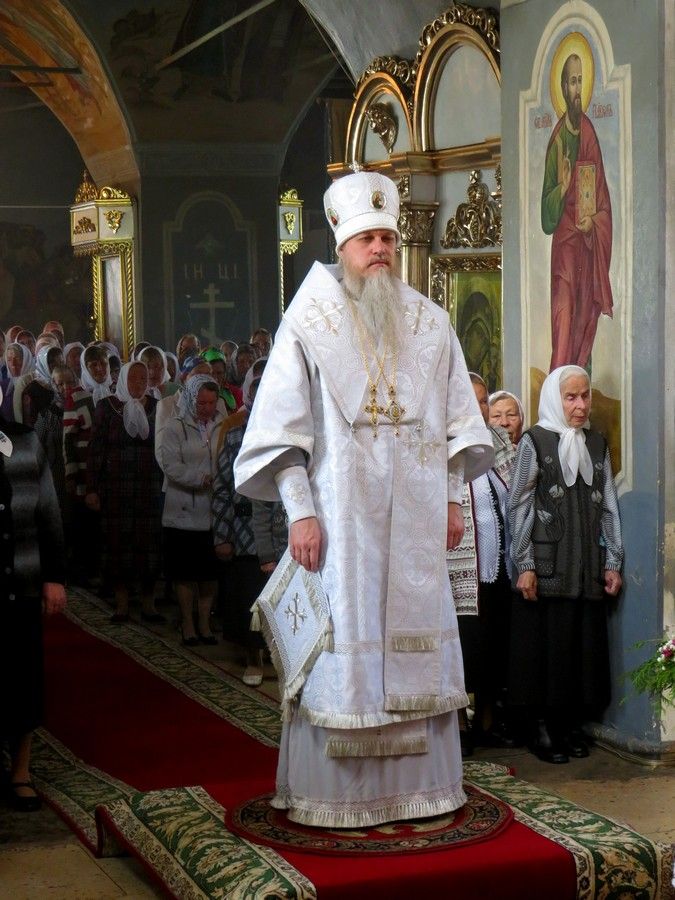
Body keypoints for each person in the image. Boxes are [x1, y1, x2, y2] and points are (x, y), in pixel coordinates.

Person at [234, 170, 493, 828]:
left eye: (387, 238)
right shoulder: (308, 321)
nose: (379, 248)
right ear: (342, 244)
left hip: (415, 524)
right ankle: (339, 798)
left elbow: (457, 424)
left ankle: (423, 791)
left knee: (416, 644)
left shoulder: (430, 322)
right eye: (366, 239)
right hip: (340, 524)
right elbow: (281, 434)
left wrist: (453, 501)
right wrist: (300, 511)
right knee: (344, 645)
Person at [508, 365, 623, 764]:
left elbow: (608, 506)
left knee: (580, 652)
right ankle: (542, 729)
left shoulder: (597, 443)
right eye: (571, 397)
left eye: (585, 396)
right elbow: (519, 504)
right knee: (547, 652)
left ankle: (568, 726)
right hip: (547, 570)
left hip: (586, 570)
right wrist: (524, 563)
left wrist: (613, 561)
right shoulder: (535, 441)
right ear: (555, 400)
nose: (580, 405)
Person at [0, 388, 66, 811]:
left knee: (23, 681)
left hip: (22, 581)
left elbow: (49, 512)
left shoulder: (24, 440)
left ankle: (20, 771)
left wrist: (54, 577)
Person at [541, 53, 613, 370]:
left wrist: (593, 222)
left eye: (581, 80)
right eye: (572, 81)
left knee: (583, 319)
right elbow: (546, 218)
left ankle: (582, 389)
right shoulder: (557, 141)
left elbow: (602, 199)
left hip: (586, 245)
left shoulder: (589, 133)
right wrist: (562, 187)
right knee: (563, 318)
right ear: (562, 86)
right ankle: (558, 388)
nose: (577, 89)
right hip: (565, 249)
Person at [85, 362, 164, 623]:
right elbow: (96, 449)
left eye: (143, 378)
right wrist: (92, 488)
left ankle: (149, 602)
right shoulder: (107, 407)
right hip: (116, 488)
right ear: (123, 380)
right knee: (118, 545)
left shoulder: (157, 407)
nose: (139, 383)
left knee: (148, 545)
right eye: (133, 378)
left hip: (149, 488)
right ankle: (122, 603)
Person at [156, 375, 224, 645]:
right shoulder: (175, 427)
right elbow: (170, 465)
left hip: (214, 511)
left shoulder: (221, 425)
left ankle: (205, 623)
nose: (207, 408)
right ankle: (187, 622)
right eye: (201, 402)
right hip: (183, 509)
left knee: (209, 573)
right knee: (185, 572)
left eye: (212, 402)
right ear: (191, 399)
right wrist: (199, 478)